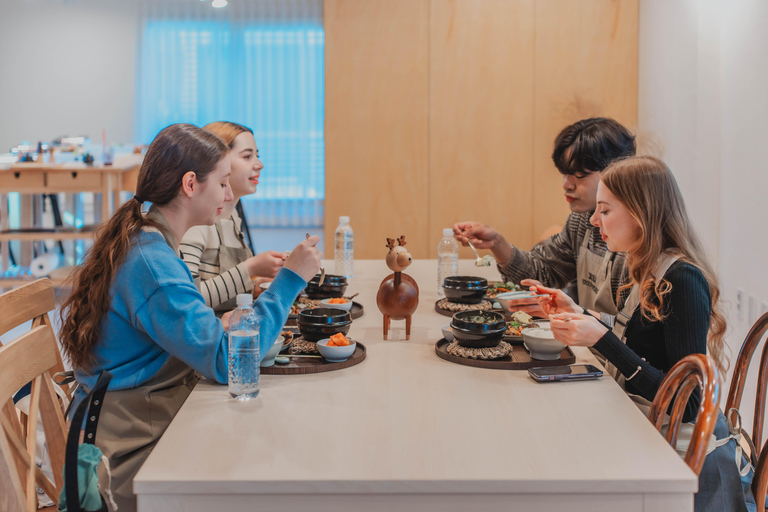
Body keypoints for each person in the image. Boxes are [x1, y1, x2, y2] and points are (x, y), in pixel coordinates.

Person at [58, 123, 322, 512]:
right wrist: (290, 281)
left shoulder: (150, 241)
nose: (229, 195)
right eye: (222, 183)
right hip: (124, 453)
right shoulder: (152, 262)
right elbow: (227, 362)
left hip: (141, 418)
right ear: (190, 184)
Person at [533, 155, 748, 512]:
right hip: (647, 428)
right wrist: (576, 311)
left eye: (605, 210)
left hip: (682, 458)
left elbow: (688, 405)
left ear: (640, 213)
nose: (594, 220)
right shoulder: (646, 265)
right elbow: (637, 340)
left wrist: (601, 339)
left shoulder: (681, 280)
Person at [454, 117, 635, 321]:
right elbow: (544, 272)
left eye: (578, 174)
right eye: (564, 173)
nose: (566, 184)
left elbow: (634, 331)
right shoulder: (581, 220)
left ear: (617, 171)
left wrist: (573, 313)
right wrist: (496, 242)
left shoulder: (635, 239)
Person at [180, 121, 285, 315]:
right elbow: (187, 299)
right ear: (219, 161)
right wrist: (251, 268)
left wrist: (255, 285)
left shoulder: (233, 216)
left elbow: (226, 284)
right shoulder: (197, 221)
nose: (259, 164)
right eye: (247, 156)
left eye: (257, 155)